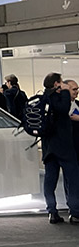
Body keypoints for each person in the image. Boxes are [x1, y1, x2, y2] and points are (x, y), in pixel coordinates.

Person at [40, 72, 79, 225]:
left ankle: (52, 211)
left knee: (50, 181)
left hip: (48, 147)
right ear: (56, 83)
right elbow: (63, 109)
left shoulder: (43, 98)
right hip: (64, 147)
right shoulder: (59, 97)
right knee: (73, 179)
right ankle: (75, 212)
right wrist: (63, 91)